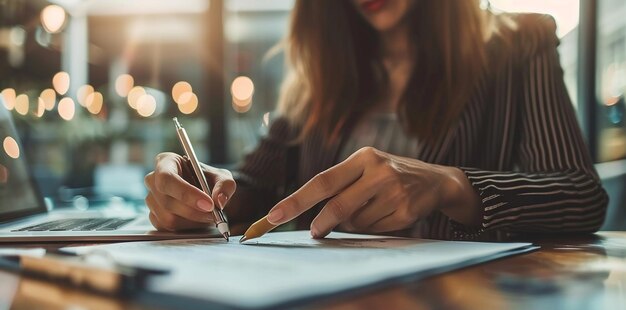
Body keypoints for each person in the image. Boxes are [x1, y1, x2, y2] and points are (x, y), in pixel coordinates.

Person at [144, 0, 608, 240]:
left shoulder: (520, 44)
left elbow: (581, 196)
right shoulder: (321, 76)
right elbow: (262, 188)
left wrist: (451, 186)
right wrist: (206, 192)